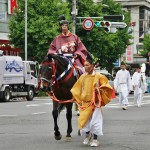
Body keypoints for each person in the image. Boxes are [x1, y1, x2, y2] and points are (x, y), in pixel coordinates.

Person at [71, 57, 113, 147]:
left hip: (95, 103)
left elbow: (106, 86)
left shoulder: (99, 76)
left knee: (95, 122)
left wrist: (101, 90)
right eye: (84, 65)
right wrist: (76, 98)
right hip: (85, 103)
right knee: (84, 122)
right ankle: (87, 136)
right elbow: (76, 89)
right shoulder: (82, 76)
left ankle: (95, 139)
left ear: (92, 66)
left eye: (87, 65)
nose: (85, 67)